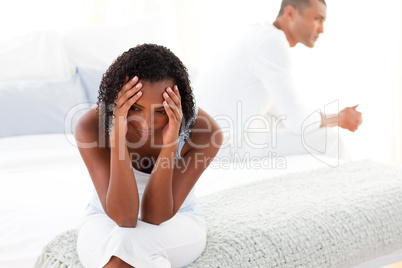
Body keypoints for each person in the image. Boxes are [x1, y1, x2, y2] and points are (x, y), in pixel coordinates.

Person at [73, 44, 222, 268]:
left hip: (178, 218)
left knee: (125, 249)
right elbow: (124, 218)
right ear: (117, 100)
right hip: (104, 217)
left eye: (161, 111)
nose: (147, 123)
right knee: (124, 245)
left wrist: (170, 143)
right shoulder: (91, 126)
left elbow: (156, 215)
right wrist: (117, 138)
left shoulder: (204, 132)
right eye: (135, 108)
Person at [194, 0, 362, 162]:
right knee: (331, 140)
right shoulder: (271, 42)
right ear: (290, 12)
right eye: (317, 19)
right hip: (223, 145)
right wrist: (339, 118)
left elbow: (284, 114)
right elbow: (297, 121)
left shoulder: (259, 34)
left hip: (210, 137)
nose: (322, 29)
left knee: (284, 124)